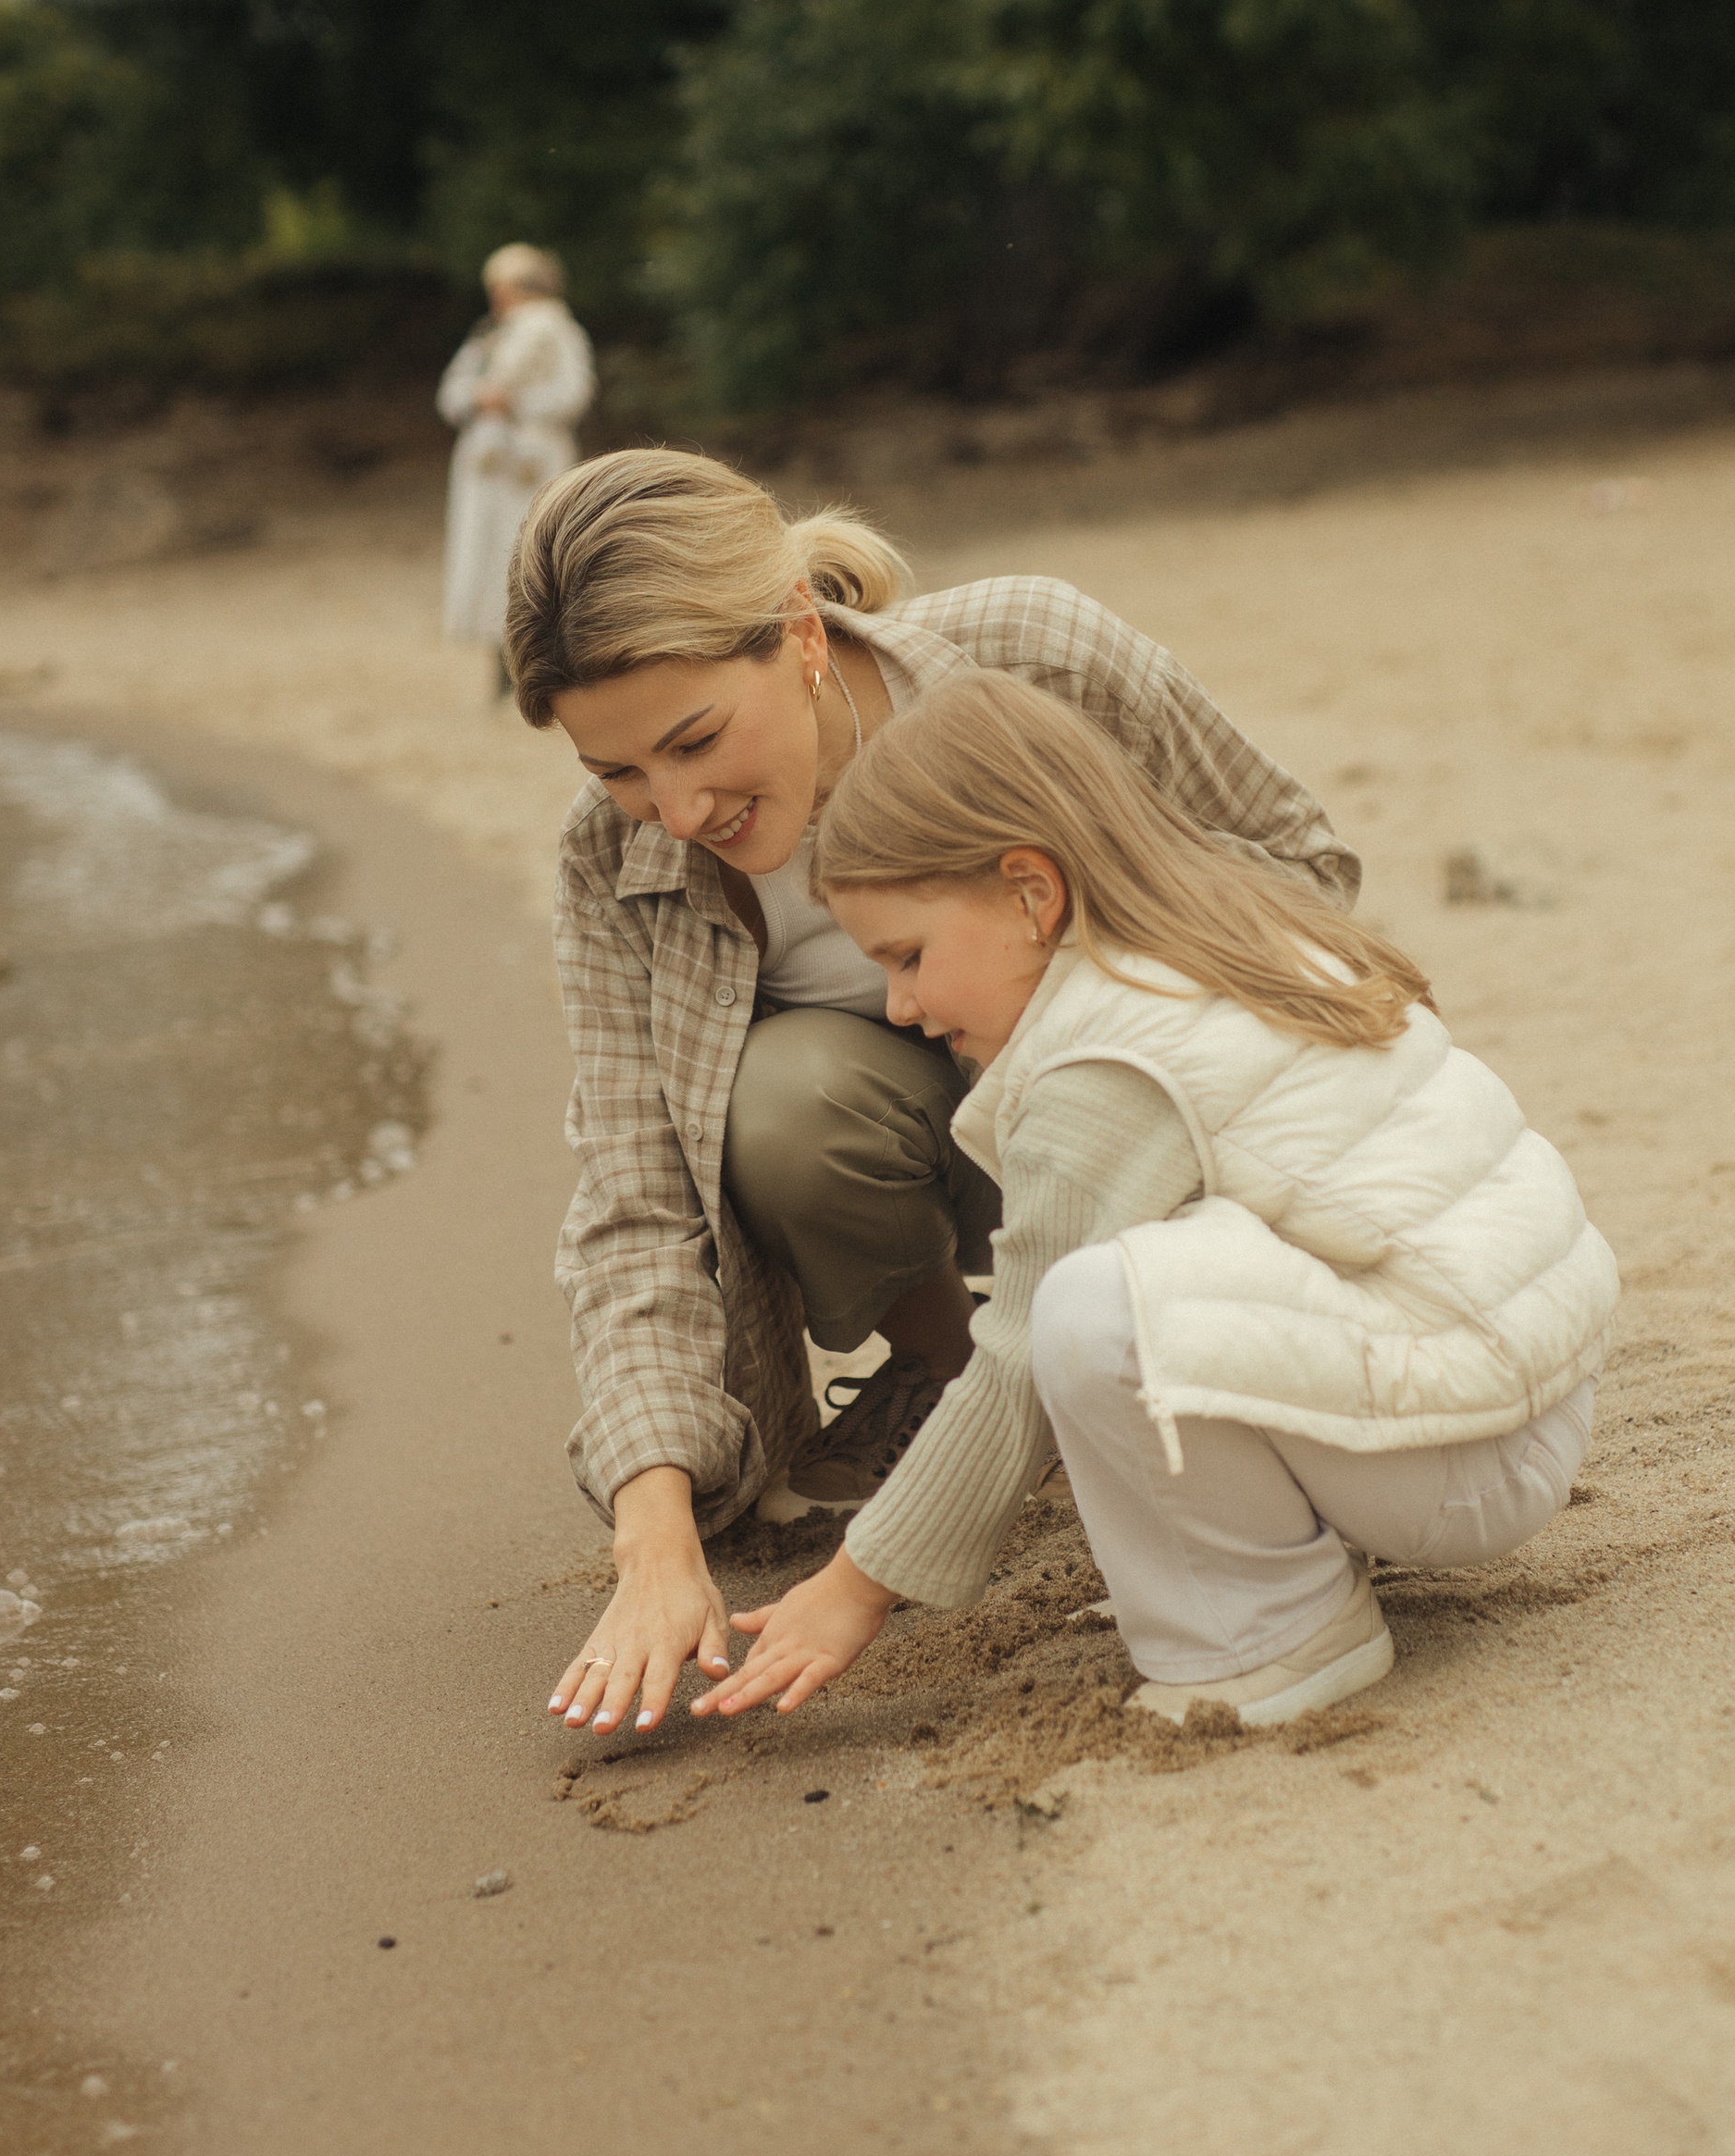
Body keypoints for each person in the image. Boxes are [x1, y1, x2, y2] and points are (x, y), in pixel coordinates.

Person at [505, 447, 1360, 1742]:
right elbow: (635, 1202)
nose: (673, 810)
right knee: (785, 1105)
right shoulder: (610, 862)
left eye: (695, 741)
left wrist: (1071, 984)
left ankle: (1109, 1364)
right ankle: (950, 1375)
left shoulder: (1040, 656)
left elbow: (1305, 874)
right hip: (895, 1155)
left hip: (1130, 1116)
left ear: (798, 635)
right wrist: (654, 1532)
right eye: (616, 770)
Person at [668, 670, 1617, 1736]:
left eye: (908, 956)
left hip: (1457, 1458)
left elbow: (1019, 1361)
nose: (898, 1004)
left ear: (1033, 893)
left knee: (1091, 1312)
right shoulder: (1211, 933)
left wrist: (852, 1587)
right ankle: (1268, 1556)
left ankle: (1271, 1634)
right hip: (1518, 1393)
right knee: (1144, 1270)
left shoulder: (1108, 1058)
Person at [438, 245, 597, 687]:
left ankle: (537, 659)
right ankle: (498, 662)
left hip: (534, 462)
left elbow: (573, 394)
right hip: (486, 463)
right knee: (489, 556)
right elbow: (451, 393)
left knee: (532, 551)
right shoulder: (489, 335)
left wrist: (516, 403)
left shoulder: (561, 333)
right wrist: (478, 399)